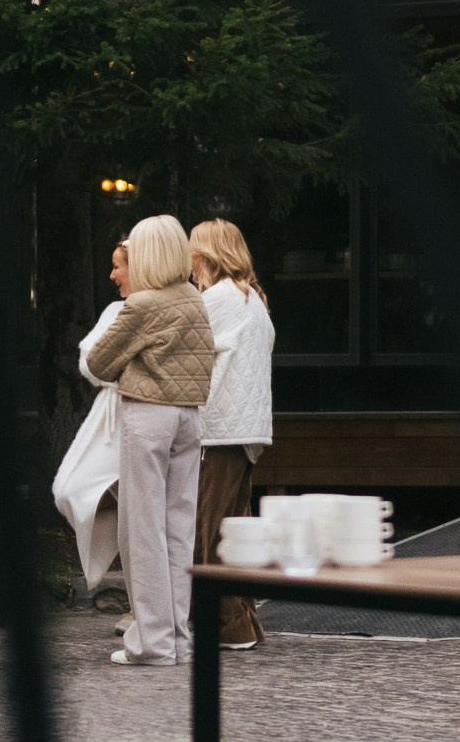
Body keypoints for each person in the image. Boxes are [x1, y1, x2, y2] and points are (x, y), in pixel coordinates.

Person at [85, 214, 215, 668]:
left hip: (148, 417)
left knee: (141, 530)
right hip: (189, 419)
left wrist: (131, 364)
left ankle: (152, 644)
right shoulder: (194, 299)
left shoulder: (140, 305)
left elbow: (99, 363)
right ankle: (179, 639)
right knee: (179, 530)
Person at [188, 218, 275, 651]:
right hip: (247, 428)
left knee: (211, 530)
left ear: (206, 254)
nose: (188, 259)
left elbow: (187, 348)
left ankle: (226, 624)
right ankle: (244, 620)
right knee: (233, 526)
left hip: (221, 427)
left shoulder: (218, 297)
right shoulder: (253, 299)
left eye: (192, 250)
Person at [52, 240, 131, 622]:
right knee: (70, 487)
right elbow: (91, 362)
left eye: (118, 267)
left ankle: (144, 605)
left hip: (150, 417)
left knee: (146, 512)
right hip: (112, 413)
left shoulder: (166, 307)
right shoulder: (117, 309)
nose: (112, 275)